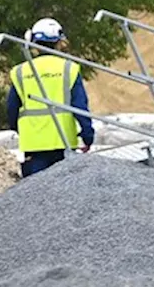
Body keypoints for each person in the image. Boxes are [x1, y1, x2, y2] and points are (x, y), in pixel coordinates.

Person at [6, 17, 95, 177]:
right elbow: (80, 106)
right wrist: (88, 136)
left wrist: (18, 129)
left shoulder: (20, 71)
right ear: (58, 41)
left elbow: (11, 108)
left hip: (33, 144)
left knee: (34, 193)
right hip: (63, 141)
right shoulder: (69, 68)